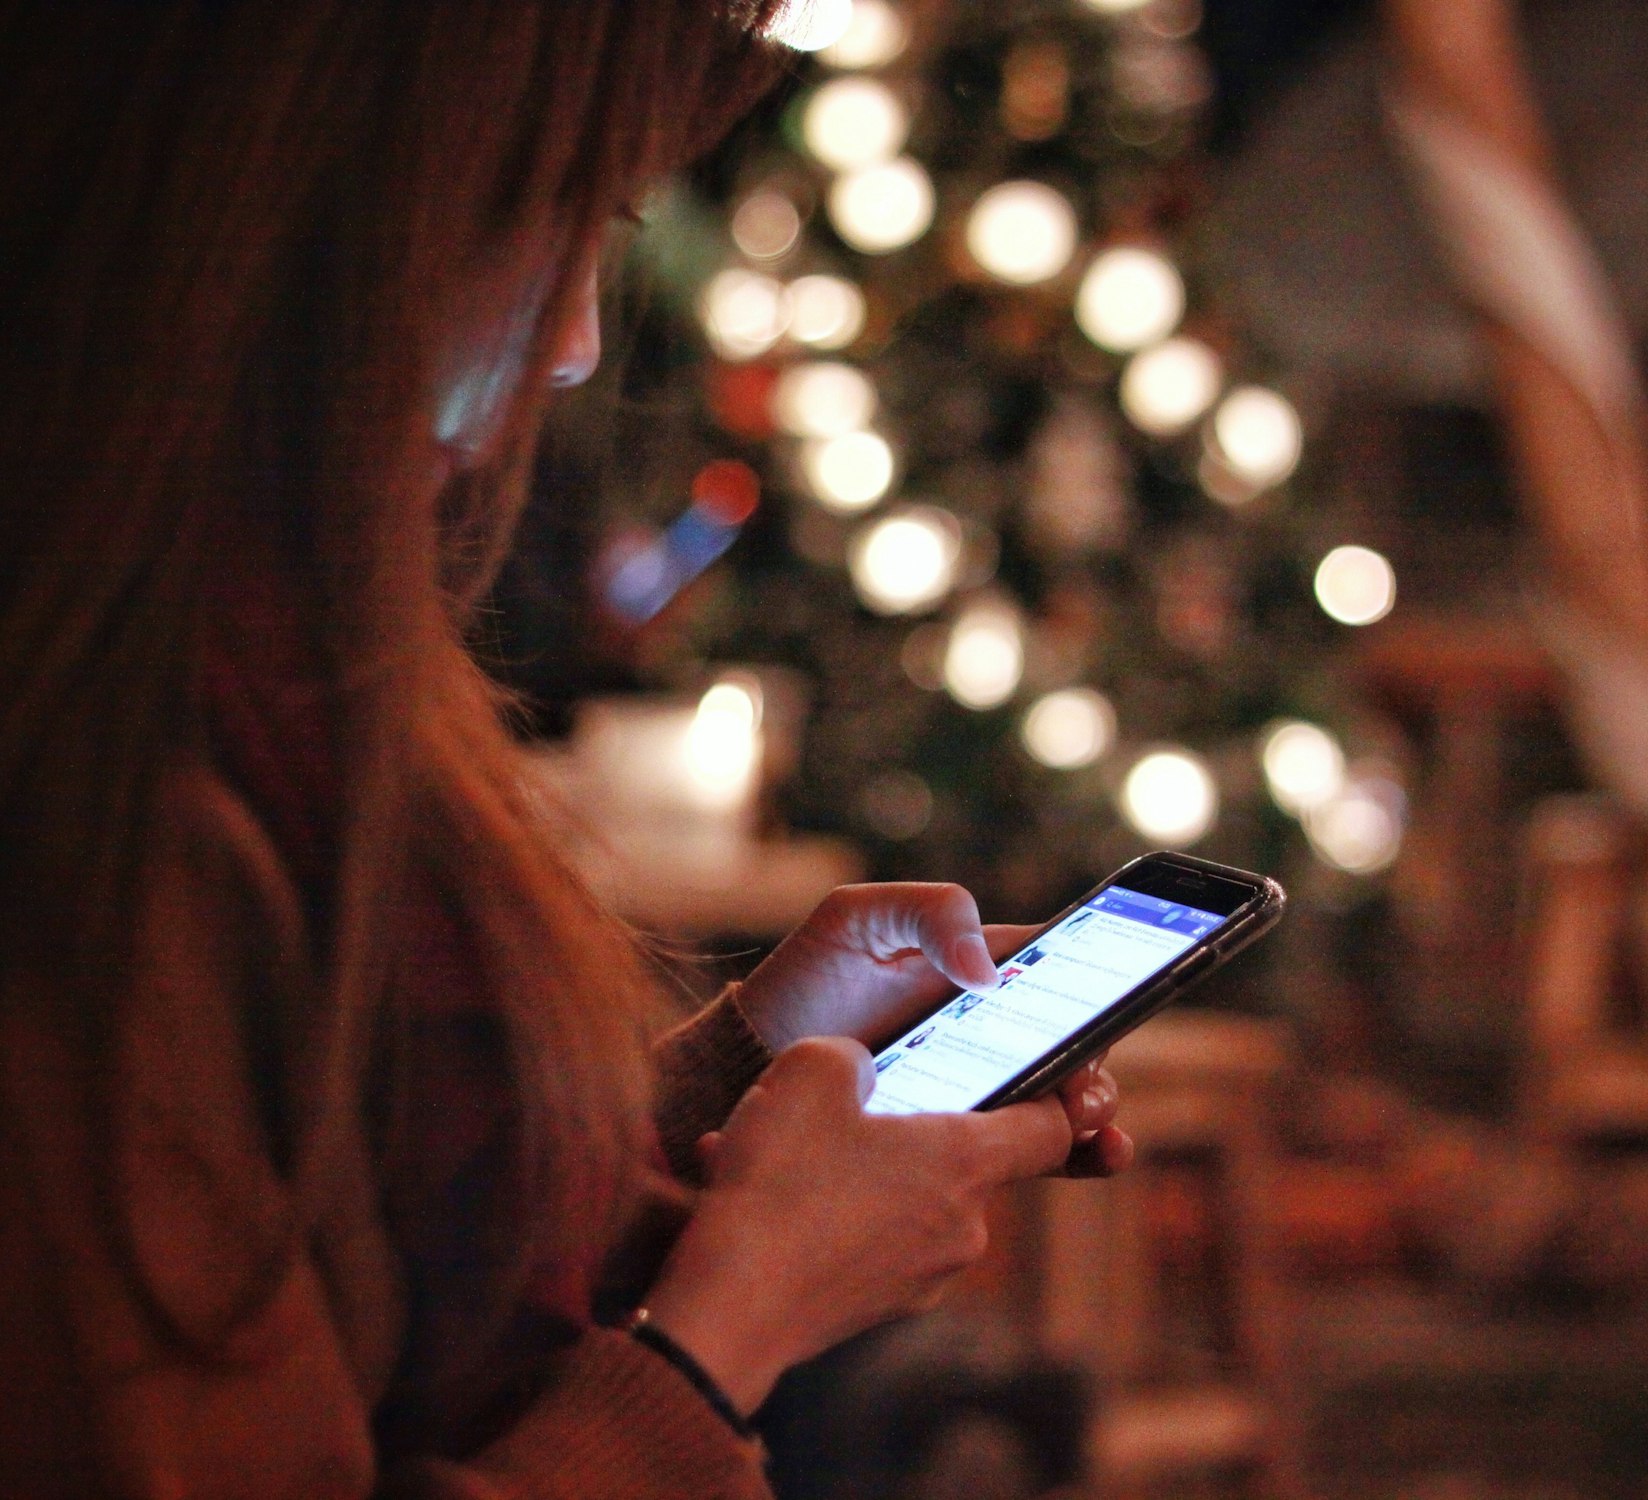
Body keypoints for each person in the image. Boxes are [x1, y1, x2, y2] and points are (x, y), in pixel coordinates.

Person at [0, 4, 1131, 1496]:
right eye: (558, 221)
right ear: (308, 220)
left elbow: (334, 1206)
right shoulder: (124, 786)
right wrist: (728, 1330)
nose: (583, 345)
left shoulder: (256, 669)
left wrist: (738, 1067)